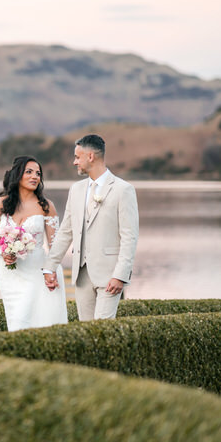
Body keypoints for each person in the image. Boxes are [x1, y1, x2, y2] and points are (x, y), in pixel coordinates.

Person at [43, 134, 139, 320]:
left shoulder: (123, 189)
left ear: (90, 157)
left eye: (77, 157)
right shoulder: (76, 189)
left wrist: (120, 275)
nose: (74, 162)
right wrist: (49, 267)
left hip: (110, 275)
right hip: (82, 276)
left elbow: (129, 237)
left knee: (103, 329)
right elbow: (65, 232)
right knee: (86, 332)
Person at [0, 155, 68, 331]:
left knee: (41, 320)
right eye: (29, 172)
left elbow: (56, 246)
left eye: (38, 173)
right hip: (10, 273)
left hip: (38, 270)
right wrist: (3, 253)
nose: (35, 177)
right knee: (17, 319)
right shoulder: (0, 204)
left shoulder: (46, 206)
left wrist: (51, 270)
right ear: (17, 175)